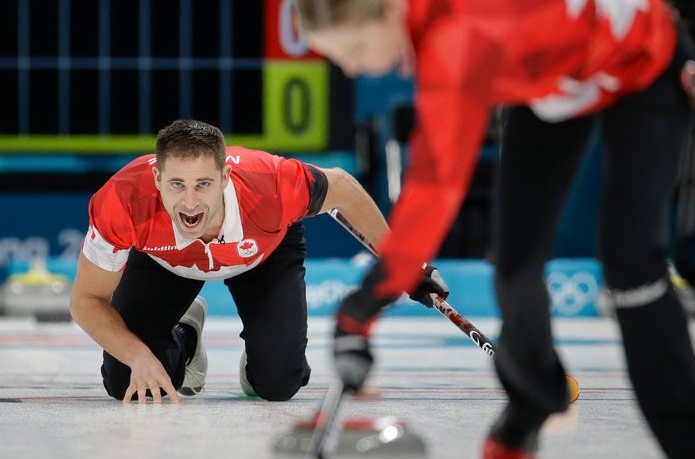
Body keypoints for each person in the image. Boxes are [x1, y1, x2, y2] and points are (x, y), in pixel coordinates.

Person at [293, 0, 695, 459]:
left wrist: (361, 308)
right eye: (338, 58)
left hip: (644, 66)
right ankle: (534, 399)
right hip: (552, 86)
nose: (352, 69)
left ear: (392, 6)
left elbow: (435, 189)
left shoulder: (461, 34)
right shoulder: (436, 29)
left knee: (631, 263)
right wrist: (369, 303)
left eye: (354, 50)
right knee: (513, 264)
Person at [69, 119, 447, 405]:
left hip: (265, 252)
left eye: (203, 184)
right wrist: (137, 355)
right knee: (127, 383)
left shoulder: (273, 183)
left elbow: (342, 188)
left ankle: (262, 357)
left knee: (278, 385)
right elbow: (86, 300)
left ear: (225, 177)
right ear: (156, 178)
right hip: (166, 262)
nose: (190, 203)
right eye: (176, 185)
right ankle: (184, 335)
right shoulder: (122, 201)